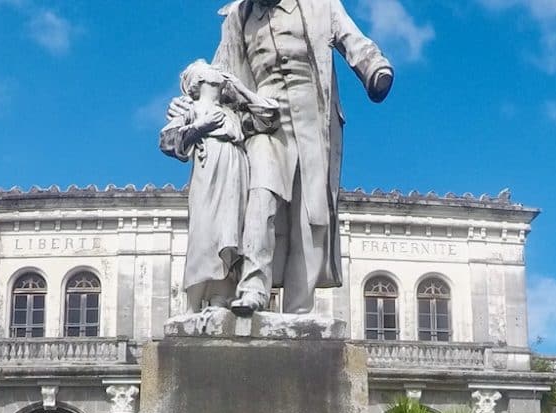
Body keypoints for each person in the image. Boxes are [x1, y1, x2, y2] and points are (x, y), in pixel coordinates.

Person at [210, 0, 393, 316]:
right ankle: (254, 287)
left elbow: (352, 38)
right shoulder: (237, 17)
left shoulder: (319, 4)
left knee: (311, 215)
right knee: (260, 193)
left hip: (312, 118)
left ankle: (299, 307)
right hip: (262, 121)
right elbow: (221, 71)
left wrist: (374, 68)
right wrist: (193, 103)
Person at [159, 60, 272, 311]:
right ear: (197, 80)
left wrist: (240, 88)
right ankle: (192, 305)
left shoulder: (233, 113)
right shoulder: (191, 108)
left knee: (230, 232)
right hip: (209, 169)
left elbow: (268, 117)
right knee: (204, 232)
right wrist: (200, 127)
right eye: (208, 67)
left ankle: (221, 300)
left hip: (237, 169)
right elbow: (167, 140)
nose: (217, 68)